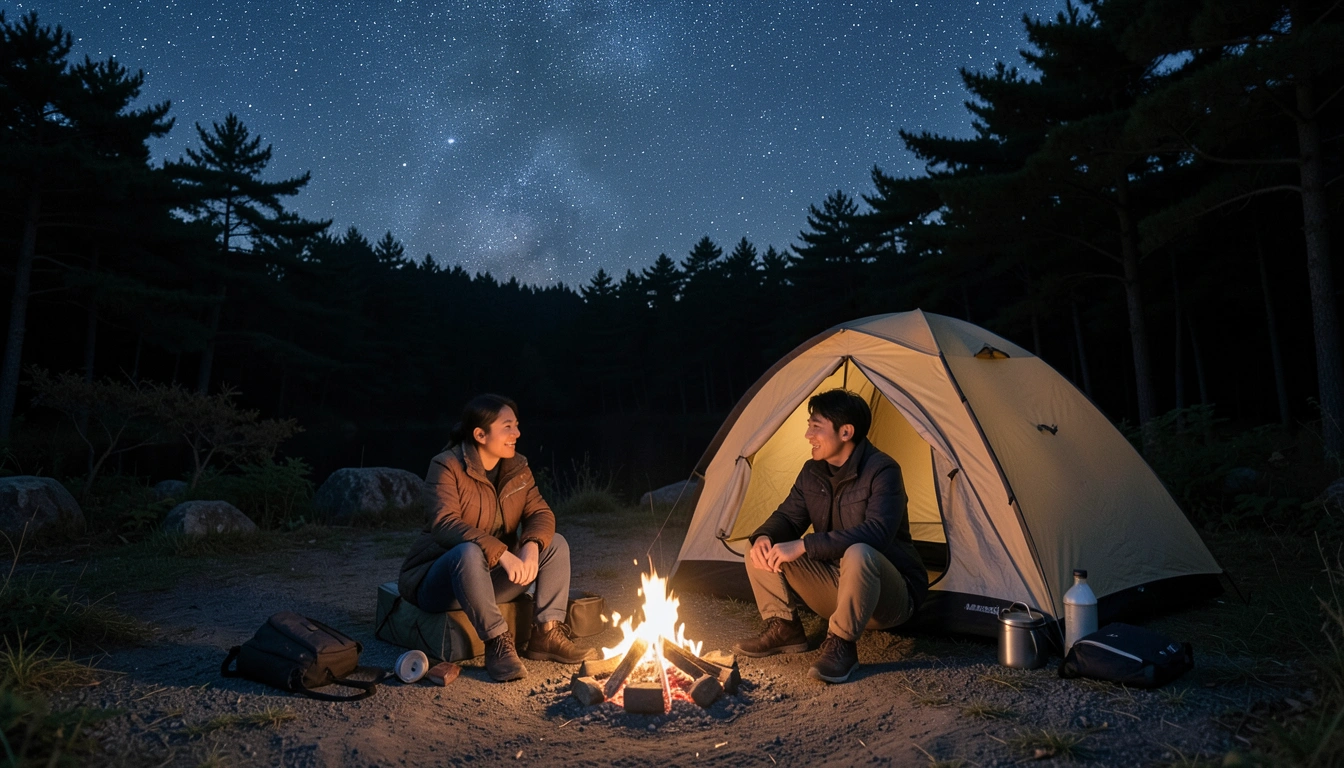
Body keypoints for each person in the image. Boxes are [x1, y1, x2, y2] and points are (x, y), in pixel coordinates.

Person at [731, 388, 927, 683]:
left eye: (816, 427)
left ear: (846, 431)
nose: (808, 435)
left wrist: (805, 545)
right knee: (759, 545)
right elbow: (787, 517)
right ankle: (784, 628)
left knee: (859, 552)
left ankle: (842, 644)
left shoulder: (883, 470)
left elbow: (878, 533)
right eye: (809, 426)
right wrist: (764, 536)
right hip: (835, 586)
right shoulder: (812, 472)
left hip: (888, 598)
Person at [398, 394, 598, 681]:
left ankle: (547, 634)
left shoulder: (517, 468)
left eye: (516, 425)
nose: (516, 433)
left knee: (554, 543)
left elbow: (540, 512)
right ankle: (496, 642)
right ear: (480, 434)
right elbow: (444, 524)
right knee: (467, 552)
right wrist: (502, 553)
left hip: (490, 579)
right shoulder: (446, 466)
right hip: (440, 583)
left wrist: (530, 544)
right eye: (507, 427)